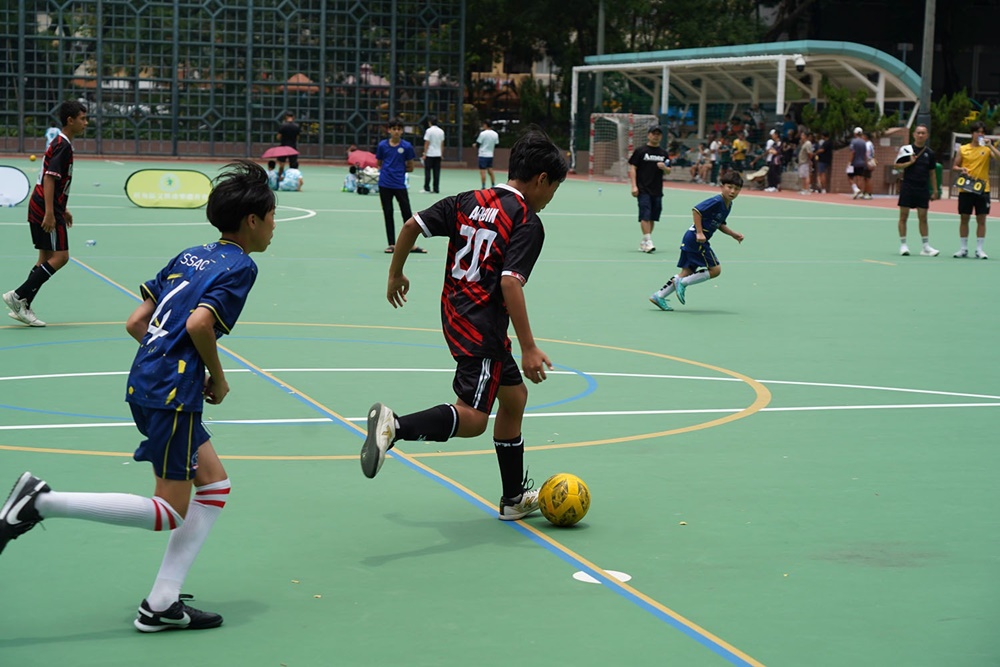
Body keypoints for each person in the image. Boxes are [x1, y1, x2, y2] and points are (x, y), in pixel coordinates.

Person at [0, 160, 276, 632]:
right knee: (168, 511)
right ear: (252, 221)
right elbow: (199, 323)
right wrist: (217, 376)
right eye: (271, 217)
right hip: (172, 392)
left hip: (147, 379)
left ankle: (162, 602)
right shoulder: (241, 266)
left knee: (214, 484)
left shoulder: (190, 254)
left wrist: (167, 359)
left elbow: (135, 322)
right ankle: (40, 502)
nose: (274, 226)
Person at [360, 128, 568, 521]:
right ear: (542, 179)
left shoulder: (468, 200)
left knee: (514, 398)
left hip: (455, 312)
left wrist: (395, 273)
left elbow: (411, 225)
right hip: (482, 325)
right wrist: (528, 346)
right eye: (555, 188)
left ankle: (513, 498)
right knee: (472, 419)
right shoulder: (525, 219)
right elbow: (509, 282)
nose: (551, 198)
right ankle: (395, 427)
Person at [3, 100, 88, 327]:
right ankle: (18, 296)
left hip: (43, 204)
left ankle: (23, 304)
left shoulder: (61, 142)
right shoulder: (63, 145)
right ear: (70, 120)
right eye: (82, 119)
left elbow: (53, 179)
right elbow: (49, 178)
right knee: (61, 257)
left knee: (45, 258)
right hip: (44, 207)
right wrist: (50, 213)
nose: (86, 123)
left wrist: (62, 208)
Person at [648, 171, 745, 311]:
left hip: (691, 239)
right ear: (722, 186)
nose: (733, 191)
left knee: (687, 271)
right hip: (696, 239)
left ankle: (659, 296)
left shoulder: (728, 205)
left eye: (736, 189)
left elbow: (719, 224)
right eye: (729, 187)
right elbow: (697, 210)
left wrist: (733, 234)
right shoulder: (716, 201)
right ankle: (683, 283)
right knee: (715, 270)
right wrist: (699, 232)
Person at [376, 117, 425, 255]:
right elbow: (379, 163)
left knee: (407, 214)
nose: (396, 131)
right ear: (389, 130)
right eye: (394, 129)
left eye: (399, 129)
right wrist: (388, 171)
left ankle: (411, 245)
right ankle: (391, 244)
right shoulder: (382, 145)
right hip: (384, 184)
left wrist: (398, 170)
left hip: (399, 184)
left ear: (402, 131)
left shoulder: (407, 146)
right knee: (388, 213)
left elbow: (411, 166)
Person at [952, 121, 1000, 259]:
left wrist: (990, 145)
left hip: (983, 189)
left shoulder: (987, 149)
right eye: (977, 132)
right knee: (964, 218)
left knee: (981, 219)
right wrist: (961, 169)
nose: (980, 134)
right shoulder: (963, 149)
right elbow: (955, 166)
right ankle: (963, 248)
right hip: (966, 189)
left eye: (982, 132)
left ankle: (979, 249)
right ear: (972, 134)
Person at [895, 124, 940, 257]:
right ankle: (903, 245)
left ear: (927, 136)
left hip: (922, 188)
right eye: (918, 133)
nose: (920, 135)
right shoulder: (906, 150)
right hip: (907, 187)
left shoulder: (930, 153)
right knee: (903, 216)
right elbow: (896, 166)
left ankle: (925, 247)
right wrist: (909, 163)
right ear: (914, 135)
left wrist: (935, 190)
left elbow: (932, 173)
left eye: (923, 133)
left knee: (923, 217)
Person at [628, 124, 671, 253]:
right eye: (653, 133)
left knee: (653, 216)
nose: (655, 136)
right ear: (648, 135)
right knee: (645, 214)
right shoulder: (641, 151)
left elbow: (668, 171)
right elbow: (633, 168)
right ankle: (648, 240)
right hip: (643, 189)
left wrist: (664, 168)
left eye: (658, 134)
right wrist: (634, 186)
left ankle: (645, 240)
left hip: (657, 190)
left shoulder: (663, 153)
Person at [421, 116, 445, 194]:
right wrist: (441, 154)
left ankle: (427, 188)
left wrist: (424, 153)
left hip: (430, 154)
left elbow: (427, 143)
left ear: (430, 122)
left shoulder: (429, 131)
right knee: (436, 172)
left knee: (427, 171)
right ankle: (436, 189)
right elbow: (442, 144)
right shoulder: (441, 131)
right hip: (438, 154)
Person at [474, 120, 500, 189]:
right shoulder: (495, 134)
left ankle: (483, 186)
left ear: (485, 125)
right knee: (490, 171)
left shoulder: (483, 134)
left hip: (482, 155)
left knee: (482, 172)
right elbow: (497, 144)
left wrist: (475, 145)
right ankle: (493, 185)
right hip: (490, 155)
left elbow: (478, 144)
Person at [848, 127, 870, 200]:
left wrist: (849, 162)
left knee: (849, 177)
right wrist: (865, 162)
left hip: (854, 162)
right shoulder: (864, 142)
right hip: (862, 163)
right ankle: (860, 193)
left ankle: (856, 189)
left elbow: (852, 152)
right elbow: (865, 154)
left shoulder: (853, 141)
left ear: (855, 133)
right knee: (859, 178)